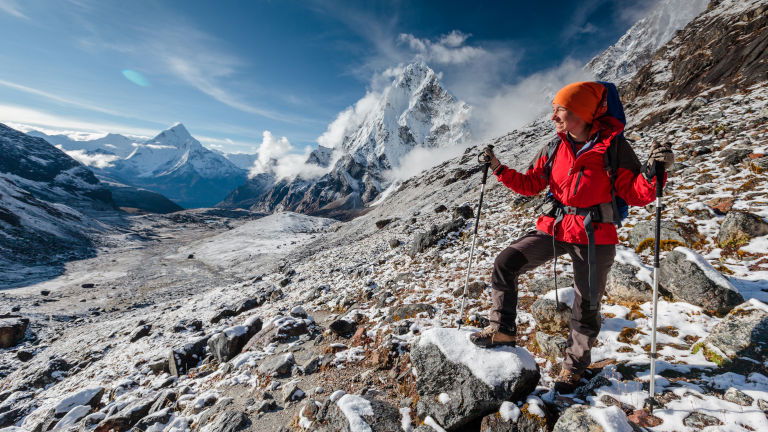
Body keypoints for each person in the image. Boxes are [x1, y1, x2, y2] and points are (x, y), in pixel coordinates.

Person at [469, 81, 674, 392]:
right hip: (557, 228)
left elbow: (634, 193)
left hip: (596, 235)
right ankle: (503, 328)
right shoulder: (554, 147)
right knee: (507, 262)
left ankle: (574, 368)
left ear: (581, 113)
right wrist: (497, 167)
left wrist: (652, 173)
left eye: (560, 111)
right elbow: (530, 184)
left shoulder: (615, 147)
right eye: (554, 110)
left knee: (586, 304)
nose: (553, 117)